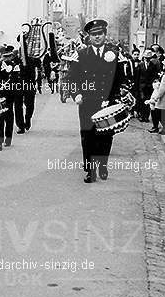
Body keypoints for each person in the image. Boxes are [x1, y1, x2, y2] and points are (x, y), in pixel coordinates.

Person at [68, 19, 124, 183]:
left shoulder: (114, 53)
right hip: (87, 102)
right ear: (89, 37)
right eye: (93, 35)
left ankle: (103, 165)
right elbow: (72, 78)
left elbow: (120, 79)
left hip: (108, 103)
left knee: (106, 136)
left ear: (105, 35)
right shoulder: (80, 54)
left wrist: (114, 98)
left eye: (100, 34)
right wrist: (76, 94)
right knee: (88, 136)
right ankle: (90, 170)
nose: (97, 37)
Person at [0, 45, 18, 147]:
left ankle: (2, 141)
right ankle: (5, 140)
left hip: (4, 95)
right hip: (6, 95)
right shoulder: (13, 66)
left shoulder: (0, 66)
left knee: (3, 118)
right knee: (6, 118)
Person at [148, 57, 165, 134]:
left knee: (158, 113)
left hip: (163, 98)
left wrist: (157, 97)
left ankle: (164, 128)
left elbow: (162, 89)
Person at [135, 49, 159, 122]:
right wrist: (136, 87)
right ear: (144, 57)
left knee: (148, 101)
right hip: (141, 86)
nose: (147, 59)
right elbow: (137, 77)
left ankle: (146, 116)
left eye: (148, 58)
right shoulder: (140, 65)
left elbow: (154, 75)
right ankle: (142, 115)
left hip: (149, 86)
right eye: (146, 58)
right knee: (142, 100)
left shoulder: (153, 65)